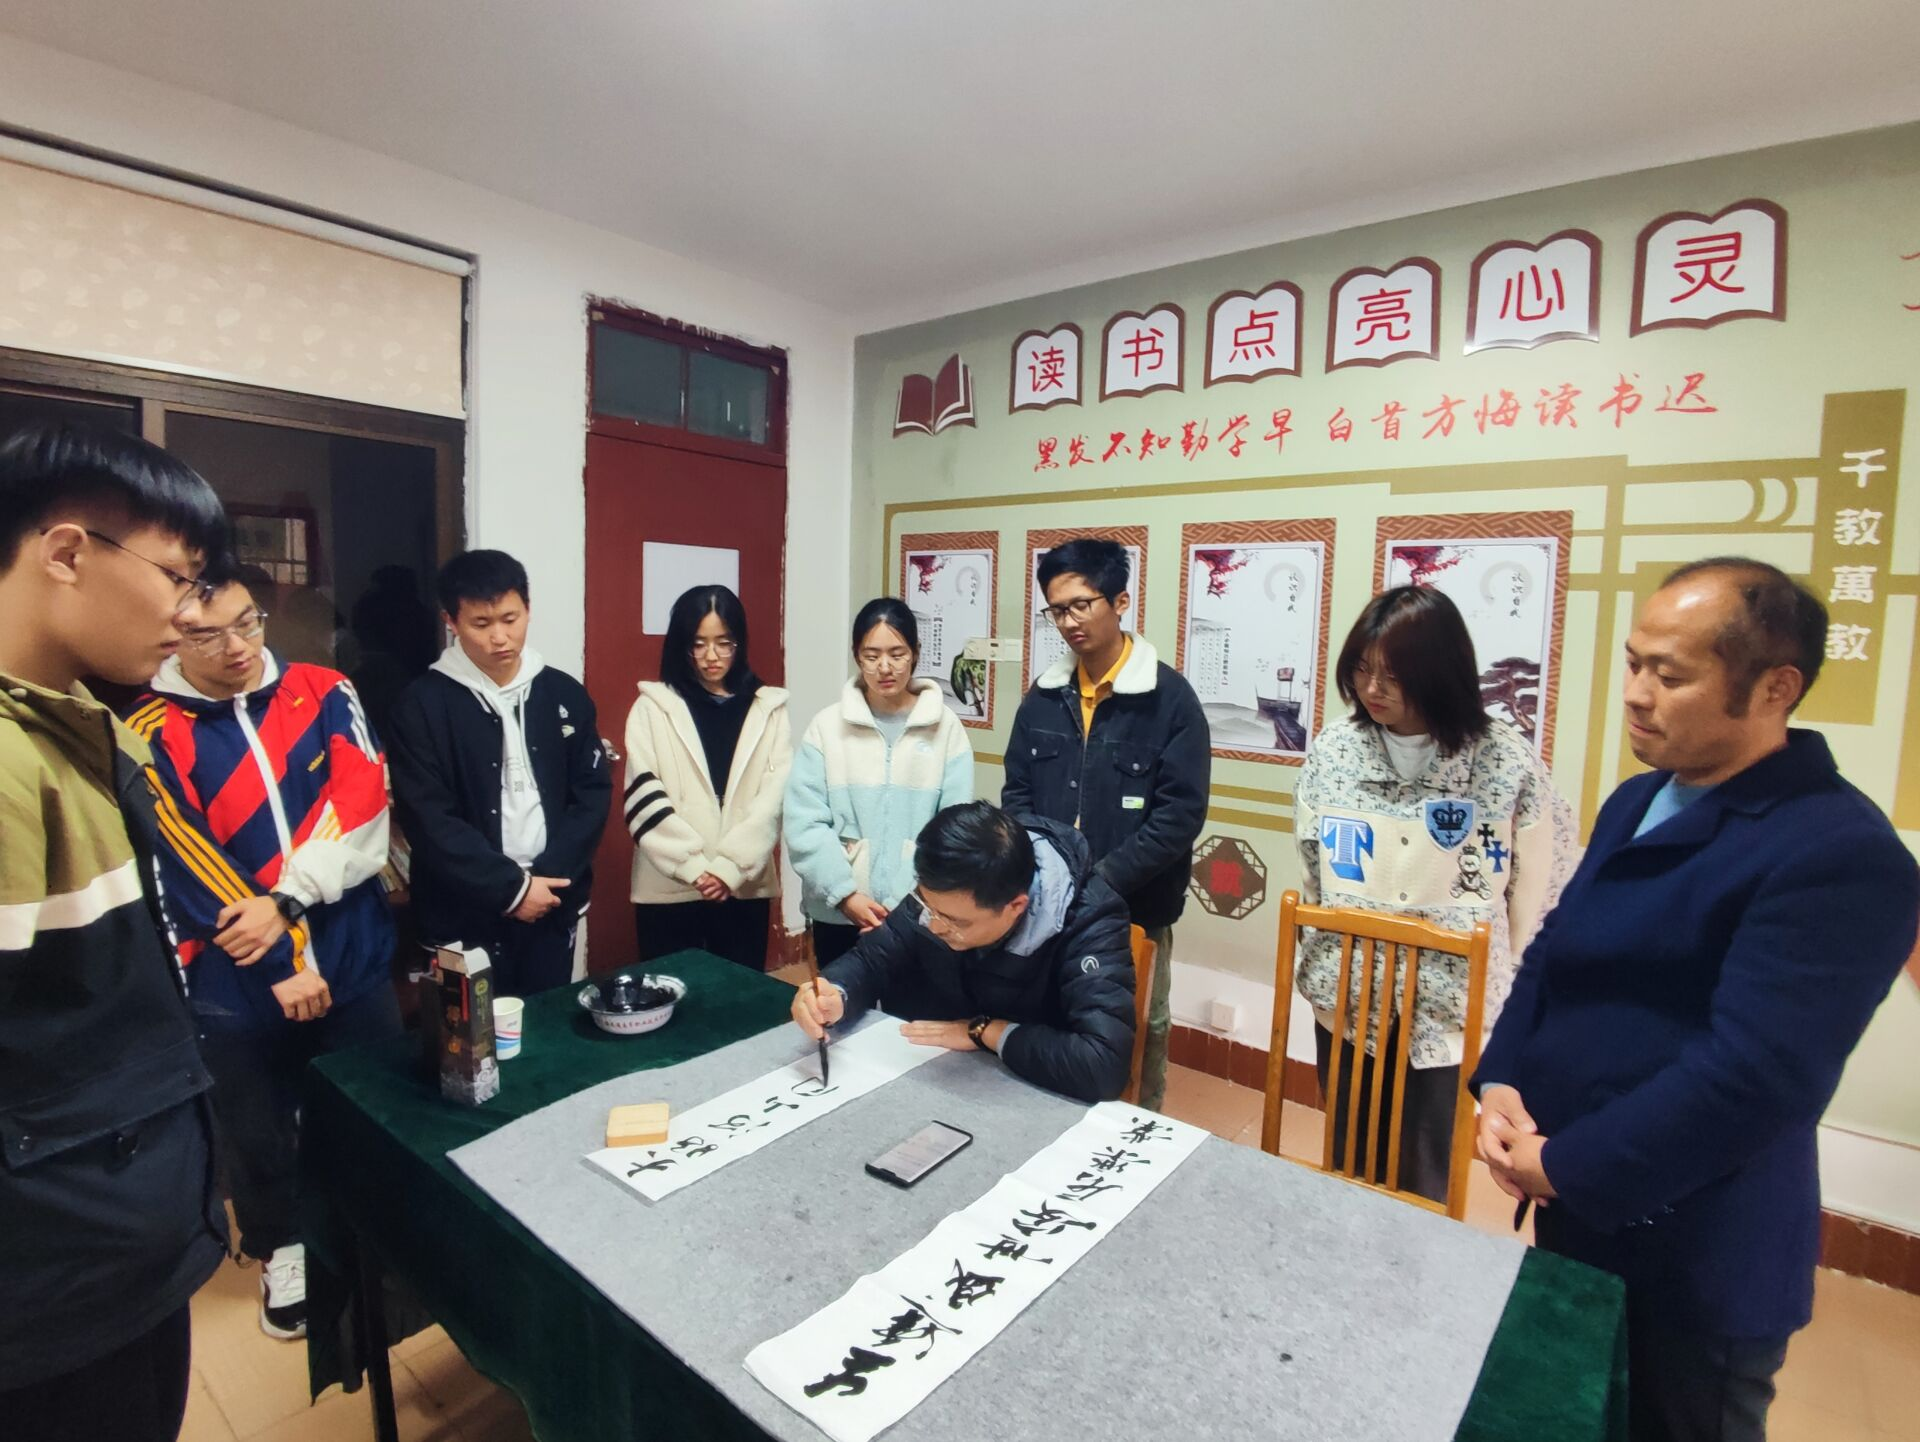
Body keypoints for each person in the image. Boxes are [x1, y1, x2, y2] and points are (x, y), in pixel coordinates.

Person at [1473, 558, 1920, 1442]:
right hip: (1577, 1206)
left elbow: (1755, 1076)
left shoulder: (1840, 852)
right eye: (1634, 663)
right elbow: (1556, 947)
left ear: (1776, 688)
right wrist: (1501, 1080)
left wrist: (1566, 1165)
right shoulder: (1639, 799)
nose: (1636, 694)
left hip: (1694, 1248)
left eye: (1670, 676)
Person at [0, 423, 229, 1442]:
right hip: (53, 1284)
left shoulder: (77, 730)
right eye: (178, 577)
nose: (191, 615)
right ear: (66, 552)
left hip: (107, 1243)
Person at [131, 566, 399, 1341]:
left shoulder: (325, 691)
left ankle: (382, 1229)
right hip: (234, 972)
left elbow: (361, 802)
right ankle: (282, 1245)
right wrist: (282, 962)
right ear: (174, 635)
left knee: (373, 1096)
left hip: (348, 950)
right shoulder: (148, 729)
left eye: (247, 622)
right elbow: (182, 861)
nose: (237, 646)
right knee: (254, 1124)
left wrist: (290, 903)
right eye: (207, 634)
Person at [1292, 585, 1576, 1203]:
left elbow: (1540, 888)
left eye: (1393, 675)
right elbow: (1314, 867)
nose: (1372, 689)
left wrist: (1513, 985)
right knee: (1348, 1155)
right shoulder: (1335, 750)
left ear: (1440, 672)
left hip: (1450, 1002)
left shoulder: (1504, 760)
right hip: (1349, 989)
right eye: (1362, 669)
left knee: (1425, 1165)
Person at [1000, 537, 1208, 1111]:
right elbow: (1017, 792)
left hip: (1135, 908)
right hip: (1047, 904)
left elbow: (1179, 815)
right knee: (1054, 1025)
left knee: (1135, 1035)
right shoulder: (1043, 697)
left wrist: (1101, 882)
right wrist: (1041, 870)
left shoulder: (1170, 700)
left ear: (1119, 601)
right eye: (1056, 610)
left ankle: (1136, 1136)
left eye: (1080, 605)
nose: (1068, 622)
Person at [792, 801, 1137, 1103]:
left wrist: (985, 1031)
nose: (934, 926)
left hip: (1022, 1094)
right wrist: (835, 992)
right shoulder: (944, 891)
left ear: (1016, 906)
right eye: (927, 906)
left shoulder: (1090, 921)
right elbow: (873, 959)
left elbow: (1102, 1064)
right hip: (926, 1078)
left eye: (955, 922)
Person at [387, 550, 612, 994]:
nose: (500, 637)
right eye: (481, 623)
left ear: (528, 608)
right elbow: (429, 818)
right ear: (451, 621)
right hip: (462, 910)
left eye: (511, 619)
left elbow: (591, 793)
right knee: (473, 1031)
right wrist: (512, 890)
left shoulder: (563, 693)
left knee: (546, 1019)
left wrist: (548, 881)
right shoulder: (420, 705)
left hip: (552, 898)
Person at [784, 598, 974, 965]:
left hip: (919, 912)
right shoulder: (826, 727)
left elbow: (953, 828)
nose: (884, 667)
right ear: (857, 656)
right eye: (871, 656)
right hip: (839, 912)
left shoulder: (946, 728)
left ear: (916, 653)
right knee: (840, 997)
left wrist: (905, 900)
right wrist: (845, 895)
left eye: (897, 654)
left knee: (908, 1002)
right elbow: (804, 823)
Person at [624, 584, 791, 968]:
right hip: (669, 885)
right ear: (681, 646)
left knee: (737, 993)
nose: (711, 656)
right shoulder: (653, 707)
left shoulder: (768, 707)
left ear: (739, 642)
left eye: (723, 643)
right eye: (698, 644)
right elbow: (643, 793)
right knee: (672, 989)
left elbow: (774, 797)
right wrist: (695, 868)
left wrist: (730, 868)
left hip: (743, 884)